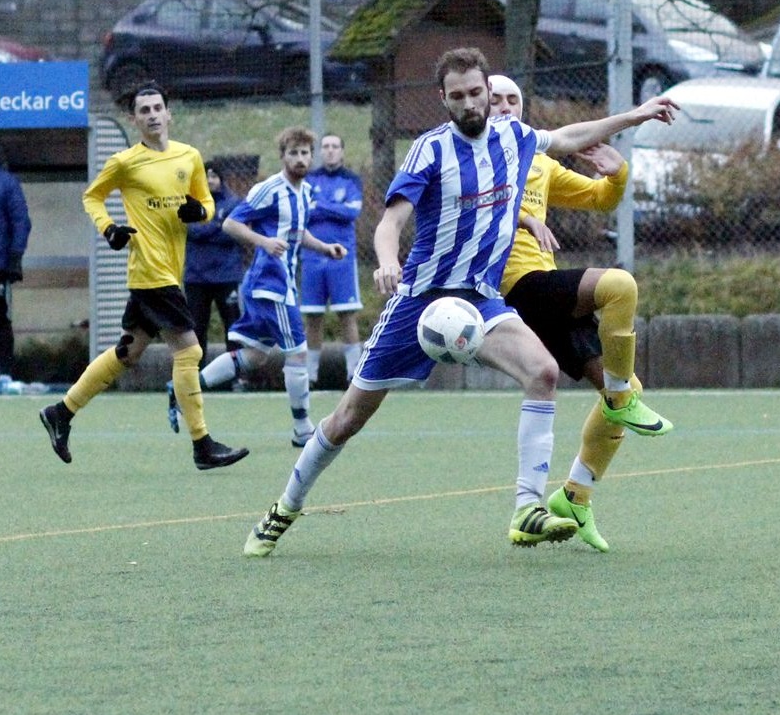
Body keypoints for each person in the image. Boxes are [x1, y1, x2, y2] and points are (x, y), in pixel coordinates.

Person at [241, 47, 679, 558]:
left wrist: (636, 116)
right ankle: (284, 508)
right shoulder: (429, 151)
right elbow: (390, 224)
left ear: (488, 91)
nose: (471, 103)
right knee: (347, 419)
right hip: (419, 303)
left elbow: (568, 137)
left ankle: (527, 509)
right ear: (443, 99)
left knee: (541, 372)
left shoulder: (514, 139)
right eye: (459, 96)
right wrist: (386, 261)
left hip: (481, 299)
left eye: (478, 93)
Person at [489, 74, 673, 553]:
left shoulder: (539, 163)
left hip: (545, 293)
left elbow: (600, 199)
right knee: (617, 285)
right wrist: (521, 218)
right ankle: (617, 399)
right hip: (512, 289)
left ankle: (575, 496)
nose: (505, 107)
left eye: (513, 100)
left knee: (627, 386)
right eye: (494, 101)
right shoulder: (470, 157)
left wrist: (617, 174)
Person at [38, 82, 249, 469]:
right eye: (144, 110)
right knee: (190, 351)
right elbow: (92, 197)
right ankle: (203, 445)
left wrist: (198, 214)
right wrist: (110, 229)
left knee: (128, 352)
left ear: (169, 114)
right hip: (150, 272)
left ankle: (60, 413)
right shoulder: (125, 162)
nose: (152, 115)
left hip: (171, 269)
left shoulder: (190, 157)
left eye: (157, 108)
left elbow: (205, 202)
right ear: (133, 119)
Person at [182, 127, 347, 447]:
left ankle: (187, 388)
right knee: (297, 353)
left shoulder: (305, 192)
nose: (300, 158)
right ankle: (303, 430)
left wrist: (326, 248)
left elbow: (296, 234)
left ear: (310, 157)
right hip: (270, 284)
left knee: (254, 355)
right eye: (293, 153)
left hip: (278, 284)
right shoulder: (269, 189)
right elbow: (231, 224)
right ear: (282, 156)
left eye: (304, 153)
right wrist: (264, 242)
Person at [301, 133, 364, 388]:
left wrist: (321, 206)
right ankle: (310, 376)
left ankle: (355, 375)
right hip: (312, 258)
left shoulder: (351, 180)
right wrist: (333, 207)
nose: (329, 151)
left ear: (342, 151)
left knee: (347, 316)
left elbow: (352, 212)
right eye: (325, 147)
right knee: (313, 319)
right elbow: (305, 211)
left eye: (334, 146)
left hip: (342, 260)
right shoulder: (309, 179)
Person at [183, 163, 245, 366]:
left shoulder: (234, 203)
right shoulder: (189, 202)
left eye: (214, 176)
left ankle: (237, 374)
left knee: (233, 327)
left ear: (221, 179)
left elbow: (232, 234)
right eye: (205, 176)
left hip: (226, 276)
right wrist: (218, 225)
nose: (210, 180)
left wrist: (210, 228)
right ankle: (196, 374)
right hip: (196, 276)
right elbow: (191, 231)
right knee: (196, 328)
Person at [0, 143, 31, 378]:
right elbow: (21, 222)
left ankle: (6, 373)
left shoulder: (6, 183)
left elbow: (21, 223)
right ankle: (6, 373)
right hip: (1, 263)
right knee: (0, 318)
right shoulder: (8, 182)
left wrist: (14, 258)